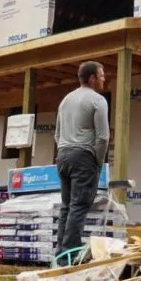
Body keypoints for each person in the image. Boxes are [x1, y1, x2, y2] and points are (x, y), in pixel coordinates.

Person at [53, 60, 110, 256]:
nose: (104, 79)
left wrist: (64, 150)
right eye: (101, 76)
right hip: (84, 156)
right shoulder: (97, 100)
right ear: (92, 78)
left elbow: (57, 133)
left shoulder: (66, 100)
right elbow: (103, 137)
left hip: (63, 155)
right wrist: (98, 161)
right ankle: (69, 255)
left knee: (66, 207)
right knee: (78, 207)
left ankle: (60, 252)